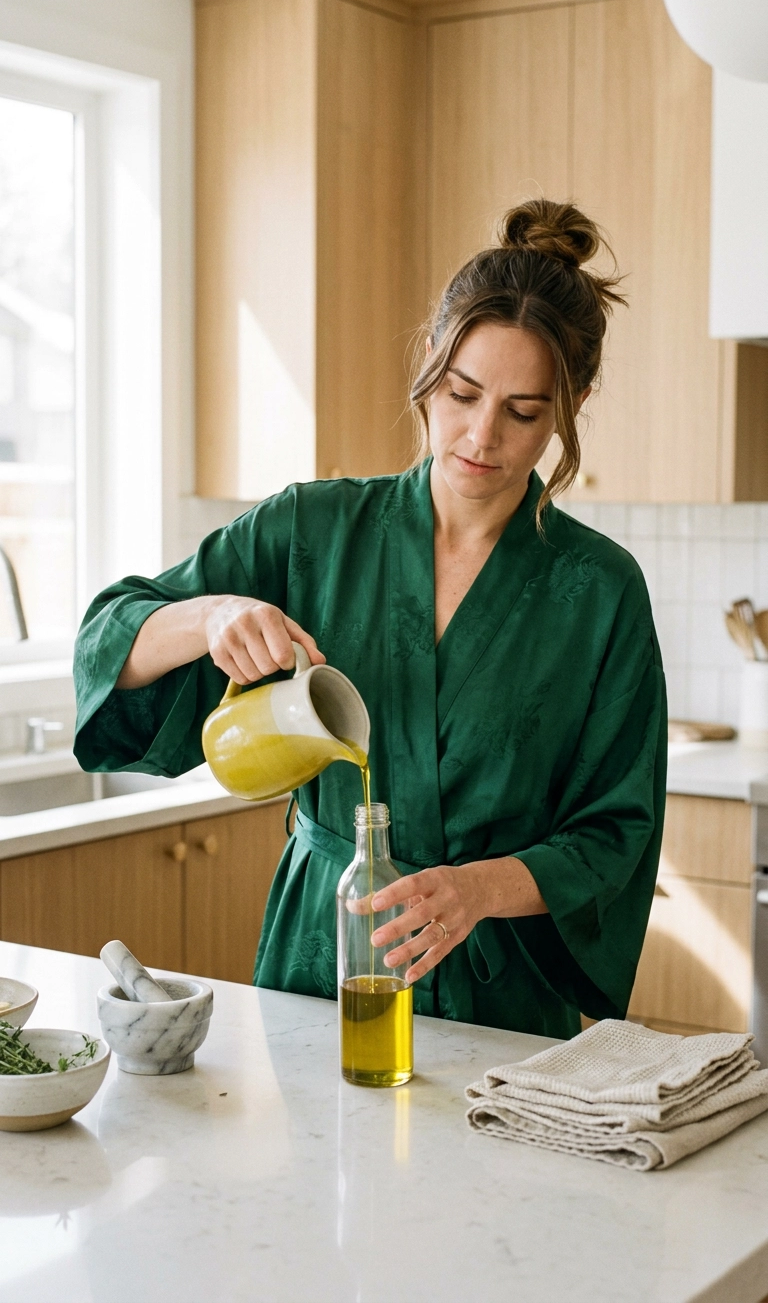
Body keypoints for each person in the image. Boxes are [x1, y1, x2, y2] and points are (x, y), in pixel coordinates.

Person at [74, 199, 666, 1040]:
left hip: (499, 988)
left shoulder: (601, 590)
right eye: (461, 393)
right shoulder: (308, 530)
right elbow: (108, 641)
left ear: (573, 405)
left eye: (524, 412)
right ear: (430, 358)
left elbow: (618, 831)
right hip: (321, 958)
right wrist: (211, 616)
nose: (480, 436)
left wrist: (479, 890)